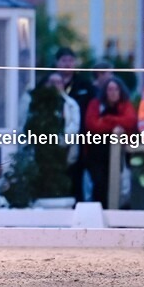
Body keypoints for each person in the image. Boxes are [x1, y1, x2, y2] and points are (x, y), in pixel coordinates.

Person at [83, 77, 137, 208]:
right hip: (96, 153)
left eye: (116, 89)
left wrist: (106, 120)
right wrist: (114, 124)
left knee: (119, 185)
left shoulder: (126, 105)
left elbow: (130, 122)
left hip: (119, 154)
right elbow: (93, 125)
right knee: (99, 184)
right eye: (110, 89)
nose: (113, 92)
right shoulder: (95, 104)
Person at [54, 47, 94, 201]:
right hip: (52, 140)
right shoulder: (48, 82)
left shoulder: (84, 85)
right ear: (57, 63)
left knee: (77, 179)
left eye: (70, 60)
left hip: (79, 141)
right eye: (64, 60)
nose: (67, 64)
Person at [46, 72, 81, 169]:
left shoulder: (71, 104)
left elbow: (74, 127)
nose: (55, 86)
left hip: (65, 150)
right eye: (52, 82)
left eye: (58, 82)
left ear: (63, 85)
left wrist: (59, 140)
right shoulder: (40, 103)